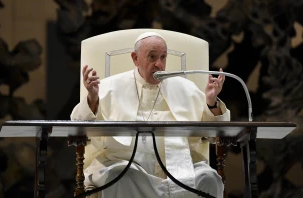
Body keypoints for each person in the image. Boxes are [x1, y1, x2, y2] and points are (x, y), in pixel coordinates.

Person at [71, 32, 230, 198]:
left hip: (180, 170)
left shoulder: (185, 88)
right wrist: (92, 98)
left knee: (210, 178)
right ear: (135, 58)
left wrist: (211, 102)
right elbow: (78, 124)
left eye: (163, 57)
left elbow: (215, 134)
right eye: (152, 57)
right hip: (128, 168)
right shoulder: (109, 87)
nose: (159, 64)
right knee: (118, 176)